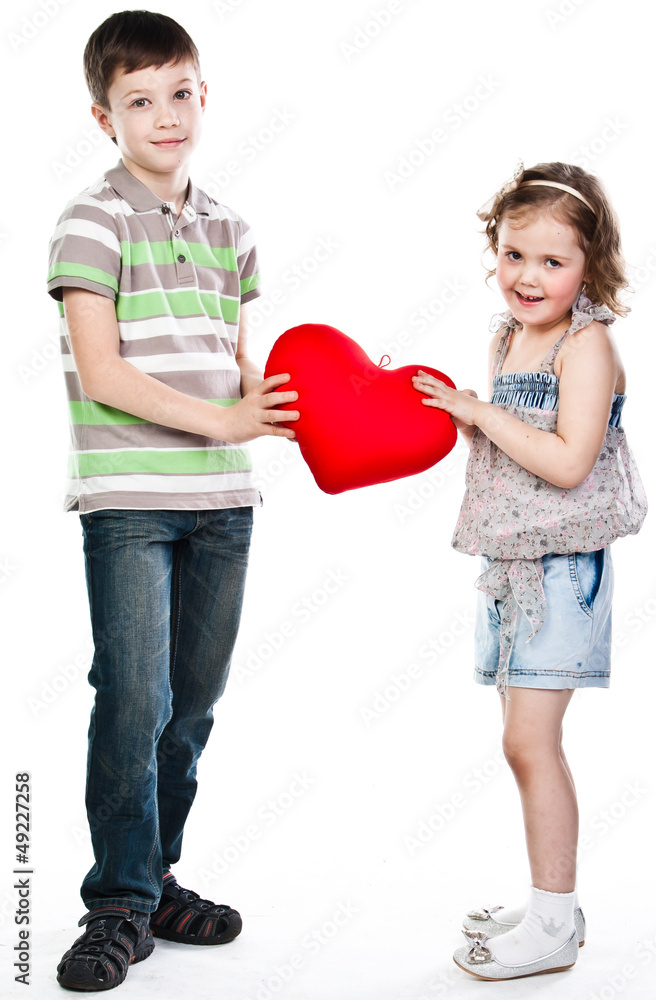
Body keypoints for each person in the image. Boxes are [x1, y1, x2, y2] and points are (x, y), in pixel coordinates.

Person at [47, 10, 299, 992]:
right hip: (131, 501)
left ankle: (155, 878)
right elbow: (103, 372)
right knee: (134, 697)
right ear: (103, 114)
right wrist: (225, 423)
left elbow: (235, 359)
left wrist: (299, 408)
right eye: (139, 99)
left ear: (205, 96)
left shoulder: (231, 227)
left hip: (223, 502)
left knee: (192, 703)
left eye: (180, 92)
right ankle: (114, 903)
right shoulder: (90, 219)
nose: (164, 114)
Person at [412, 162, 647, 981]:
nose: (527, 276)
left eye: (553, 261)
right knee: (519, 741)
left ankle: (552, 921)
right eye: (514, 255)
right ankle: (554, 907)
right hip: (513, 566)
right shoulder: (507, 335)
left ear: (591, 265)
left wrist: (483, 414)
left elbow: (570, 461)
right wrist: (459, 412)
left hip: (560, 571)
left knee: (528, 741)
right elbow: (510, 451)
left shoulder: (585, 345)